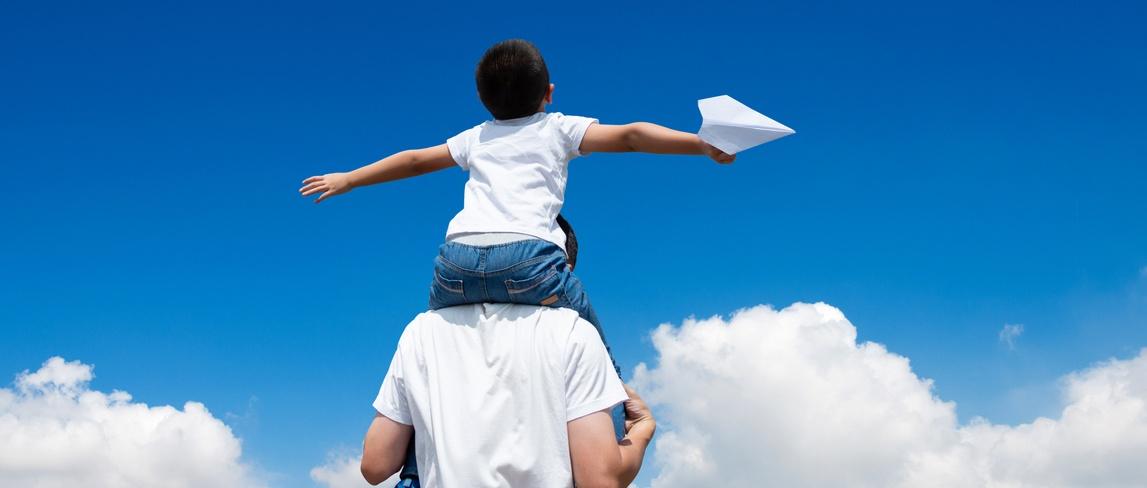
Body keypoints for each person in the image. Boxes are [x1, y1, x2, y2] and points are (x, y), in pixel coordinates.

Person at [300, 38, 730, 482]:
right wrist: (700, 144)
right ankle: (618, 402)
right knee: (595, 344)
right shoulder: (558, 128)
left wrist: (348, 178)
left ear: (483, 100)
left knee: (433, 362)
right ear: (549, 93)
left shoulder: (475, 138)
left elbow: (413, 161)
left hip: (456, 263)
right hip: (529, 258)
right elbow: (633, 136)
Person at [359, 303, 657, 487]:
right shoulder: (574, 331)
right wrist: (643, 431)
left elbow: (375, 465)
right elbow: (599, 480)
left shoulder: (421, 331)